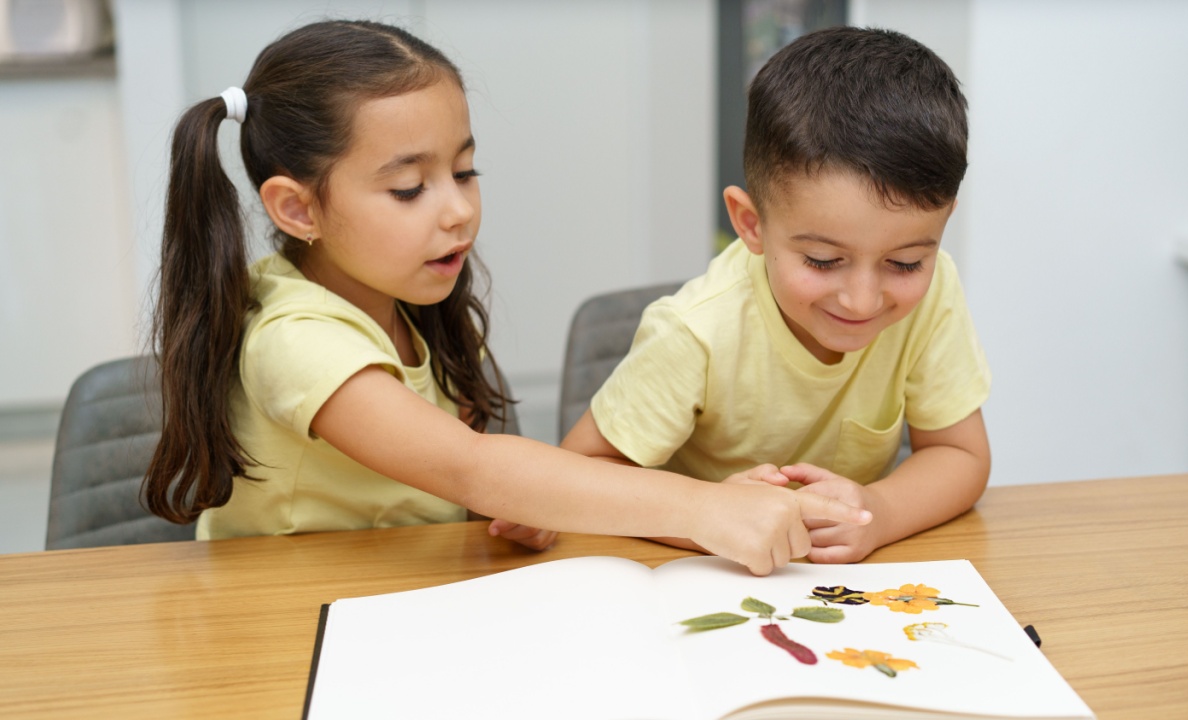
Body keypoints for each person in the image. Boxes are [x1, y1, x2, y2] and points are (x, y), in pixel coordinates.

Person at [141, 19, 868, 576]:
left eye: (465, 171)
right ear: (298, 210)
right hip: (286, 629)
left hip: (406, 602)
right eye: (408, 188)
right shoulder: (295, 341)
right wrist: (705, 506)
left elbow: (474, 486)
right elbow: (470, 467)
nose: (456, 209)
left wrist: (534, 505)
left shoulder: (404, 305)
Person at [561, 26, 991, 564]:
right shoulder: (697, 330)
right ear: (751, 224)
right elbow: (572, 476)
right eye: (822, 261)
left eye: (905, 263)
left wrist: (878, 512)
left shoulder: (934, 292)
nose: (862, 301)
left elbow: (960, 454)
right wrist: (705, 514)